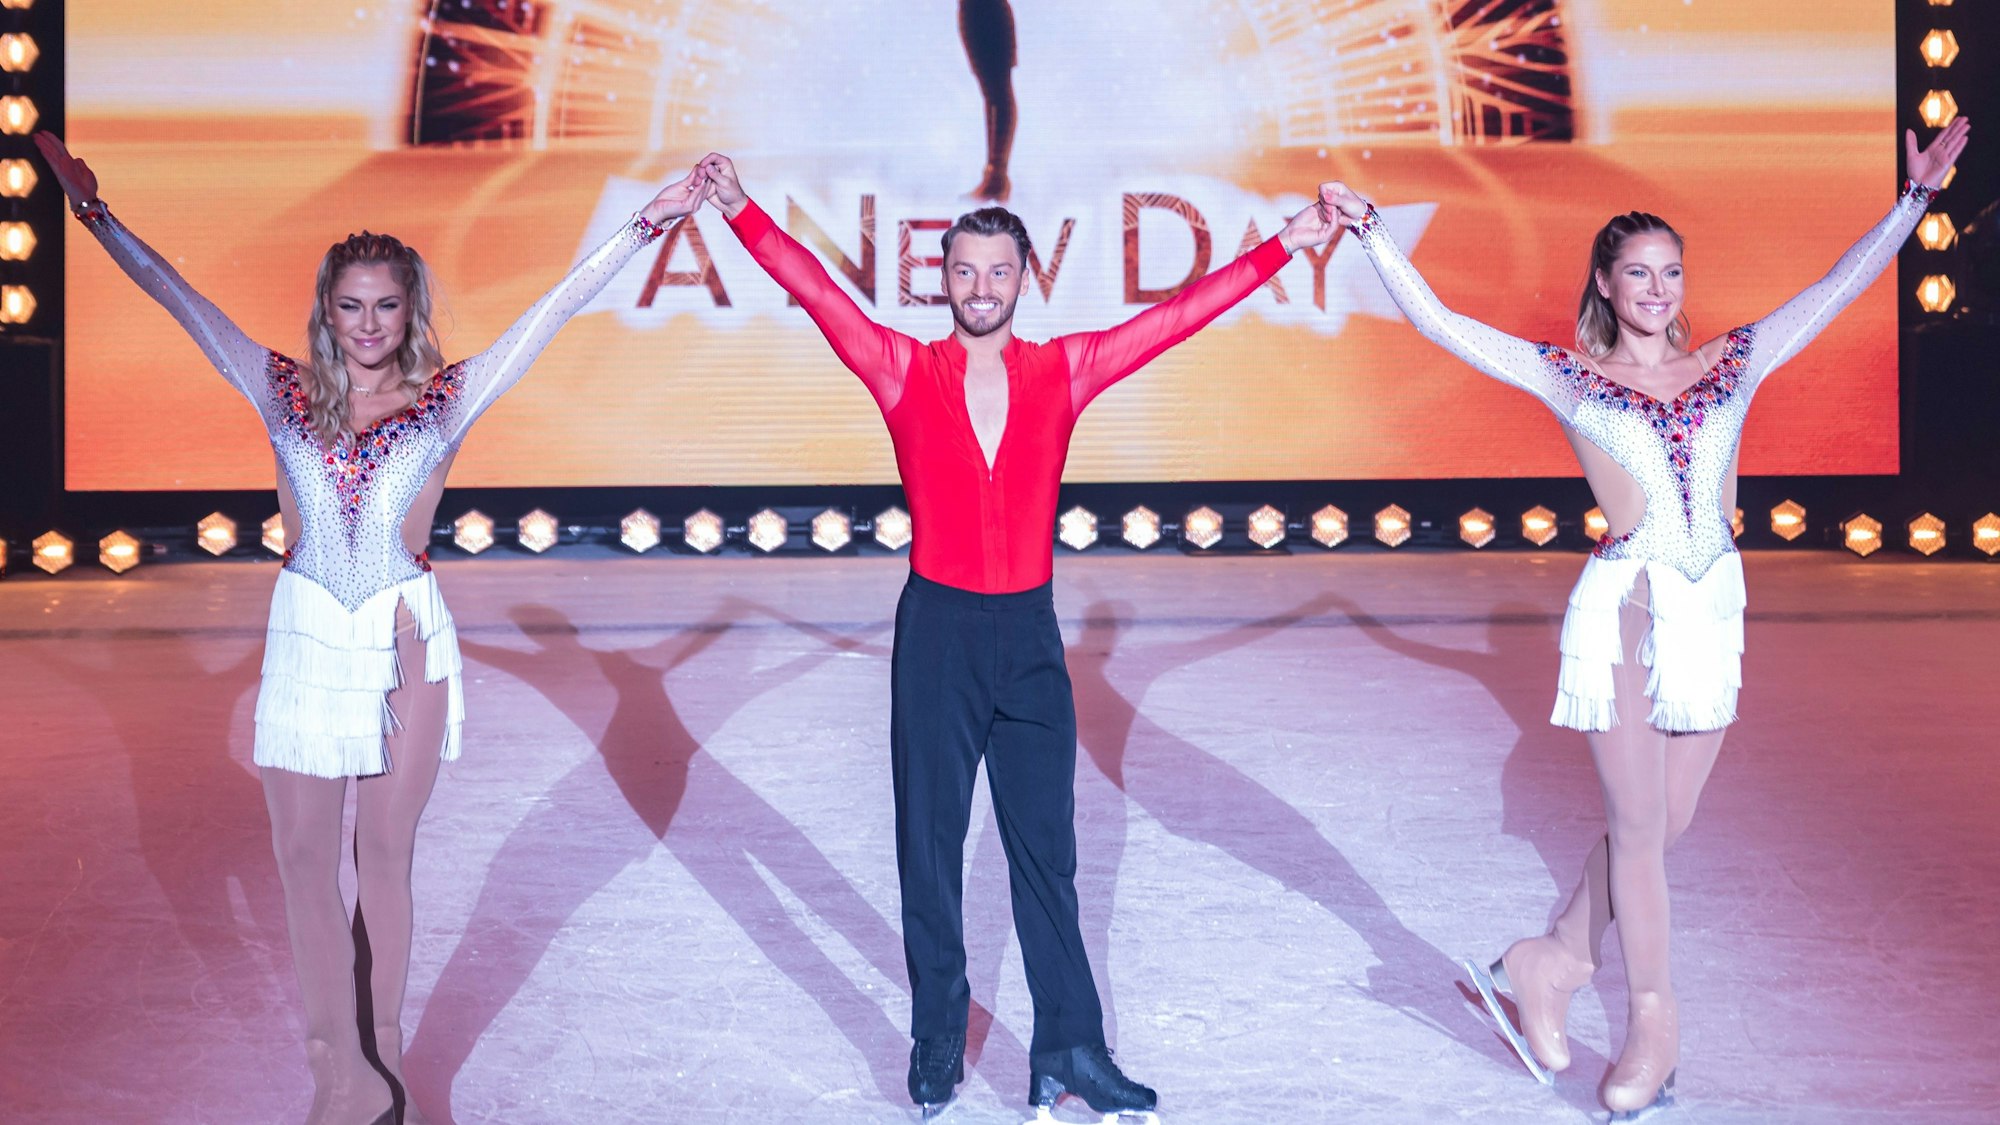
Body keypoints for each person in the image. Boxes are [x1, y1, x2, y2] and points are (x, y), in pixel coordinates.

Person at [35, 130, 708, 1125]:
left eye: (386, 304)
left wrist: (646, 225)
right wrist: (94, 212)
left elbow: (554, 305)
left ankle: (382, 1076)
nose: (367, 323)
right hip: (306, 636)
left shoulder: (446, 400)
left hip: (403, 643)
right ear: (326, 312)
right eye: (349, 305)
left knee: (381, 859)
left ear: (410, 311)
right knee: (303, 861)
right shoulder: (280, 389)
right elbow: (174, 295)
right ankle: (334, 1074)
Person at [1320, 115, 1971, 1119]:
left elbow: (1838, 286)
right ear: (1605, 287)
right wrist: (1368, 232)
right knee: (1634, 822)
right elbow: (1443, 326)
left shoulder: (1734, 359)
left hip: (1710, 604)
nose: (1655, 288)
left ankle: (1550, 959)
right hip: (1621, 605)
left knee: (1663, 823)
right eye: (1635, 273)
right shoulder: (1569, 376)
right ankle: (1652, 1027)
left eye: (1668, 270)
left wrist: (1913, 200)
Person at [694, 151, 1339, 1119]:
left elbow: (1174, 320)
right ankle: (933, 1037)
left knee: (1045, 850)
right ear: (941, 278)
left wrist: (1285, 243)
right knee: (929, 844)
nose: (980, 287)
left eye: (998, 272)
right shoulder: (902, 368)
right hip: (938, 634)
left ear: (1022, 279)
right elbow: (815, 290)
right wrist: (741, 211)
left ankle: (1068, 1050)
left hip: (1029, 640)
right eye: (963, 271)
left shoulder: (1062, 370)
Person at [959, 0, 1018, 201]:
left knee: (998, 93)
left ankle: (997, 175)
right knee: (992, 95)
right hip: (973, 12)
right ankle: (995, 176)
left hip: (988, 12)